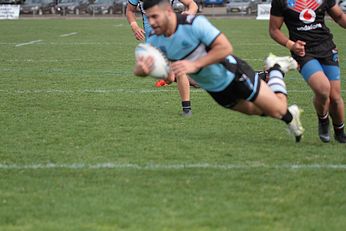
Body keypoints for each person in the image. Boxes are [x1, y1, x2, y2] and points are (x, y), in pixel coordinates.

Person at [133, 0, 305, 142]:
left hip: (234, 74)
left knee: (278, 109)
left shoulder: (193, 24)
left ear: (169, 12)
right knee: (256, 110)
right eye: (148, 18)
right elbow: (168, 76)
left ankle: (275, 68)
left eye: (155, 16)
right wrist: (144, 70)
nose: (151, 22)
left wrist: (195, 65)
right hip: (216, 90)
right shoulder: (156, 41)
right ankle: (290, 113)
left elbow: (225, 48)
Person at [269, 0, 346, 143]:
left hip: (327, 49)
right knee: (323, 89)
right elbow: (274, 30)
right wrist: (291, 45)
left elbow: (340, 17)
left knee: (335, 97)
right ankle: (323, 119)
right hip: (303, 52)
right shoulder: (281, 1)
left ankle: (340, 131)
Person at [126, 0, 198, 116]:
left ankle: (187, 109)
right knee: (168, 77)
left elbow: (192, 4)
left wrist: (189, 12)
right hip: (153, 39)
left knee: (179, 70)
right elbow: (130, 10)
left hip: (172, 33)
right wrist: (134, 26)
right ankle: (191, 80)